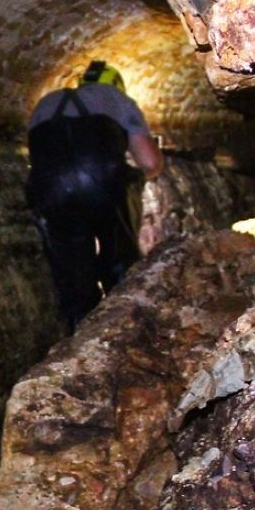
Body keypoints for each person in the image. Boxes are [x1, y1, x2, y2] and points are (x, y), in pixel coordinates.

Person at [26, 59, 164, 332]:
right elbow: (149, 162)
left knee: (74, 277)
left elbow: (40, 162)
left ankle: (80, 336)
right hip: (102, 182)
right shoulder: (116, 99)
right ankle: (127, 329)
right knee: (120, 264)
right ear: (115, 85)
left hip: (51, 192)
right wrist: (135, 179)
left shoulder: (44, 104)